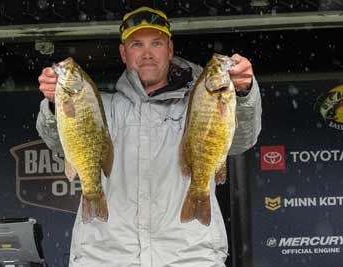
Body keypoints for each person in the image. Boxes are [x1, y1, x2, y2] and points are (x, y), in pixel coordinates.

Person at [36, 6, 262, 267]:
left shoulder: (200, 103)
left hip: (189, 258)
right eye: (136, 44)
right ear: (123, 53)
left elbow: (242, 139)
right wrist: (55, 103)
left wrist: (244, 93)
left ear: (170, 49)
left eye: (156, 43)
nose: (147, 54)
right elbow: (55, 140)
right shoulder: (98, 105)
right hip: (106, 259)